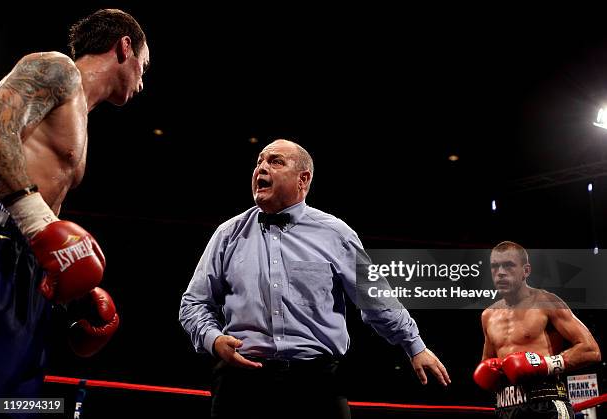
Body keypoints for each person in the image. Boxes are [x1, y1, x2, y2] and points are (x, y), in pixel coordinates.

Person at [179, 139, 450, 419]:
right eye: (259, 161)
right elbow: (193, 303)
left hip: (317, 384)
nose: (261, 167)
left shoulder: (336, 234)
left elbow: (377, 300)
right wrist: (213, 340)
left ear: (303, 179)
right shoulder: (228, 234)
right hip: (242, 383)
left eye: (275, 161)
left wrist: (415, 346)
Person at [0, 8, 150, 403]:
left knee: (17, 400)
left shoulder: (81, 116)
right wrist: (38, 225)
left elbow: (47, 218)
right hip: (1, 239)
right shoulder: (55, 68)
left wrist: (71, 290)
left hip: (24, 260)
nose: (142, 81)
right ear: (124, 47)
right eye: (143, 68)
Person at [473, 241, 602, 418]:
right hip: (506, 408)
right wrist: (487, 374)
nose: (500, 272)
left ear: (526, 271)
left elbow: (591, 350)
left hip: (546, 404)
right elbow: (488, 362)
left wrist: (545, 365)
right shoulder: (488, 315)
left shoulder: (547, 302)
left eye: (508, 265)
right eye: (495, 266)